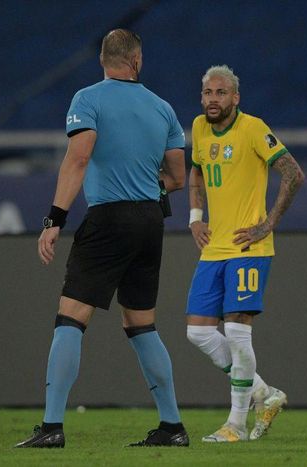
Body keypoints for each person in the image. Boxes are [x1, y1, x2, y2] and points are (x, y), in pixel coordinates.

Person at [15, 29, 189, 448]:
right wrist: (147, 189)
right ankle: (172, 427)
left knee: (71, 317)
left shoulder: (88, 99)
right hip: (150, 220)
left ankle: (52, 426)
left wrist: (54, 218)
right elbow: (178, 178)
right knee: (141, 324)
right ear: (137, 61)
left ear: (103, 61)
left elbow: (79, 157)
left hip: (109, 217)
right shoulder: (162, 108)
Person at [185, 65, 305, 442]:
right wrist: (195, 217)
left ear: (235, 97)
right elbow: (197, 173)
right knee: (197, 332)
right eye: (207, 93)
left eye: (221, 93)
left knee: (237, 332)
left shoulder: (253, 128)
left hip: (247, 246)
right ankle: (264, 394)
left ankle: (235, 424)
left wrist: (268, 223)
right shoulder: (200, 127)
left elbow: (293, 173)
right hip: (214, 247)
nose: (212, 99)